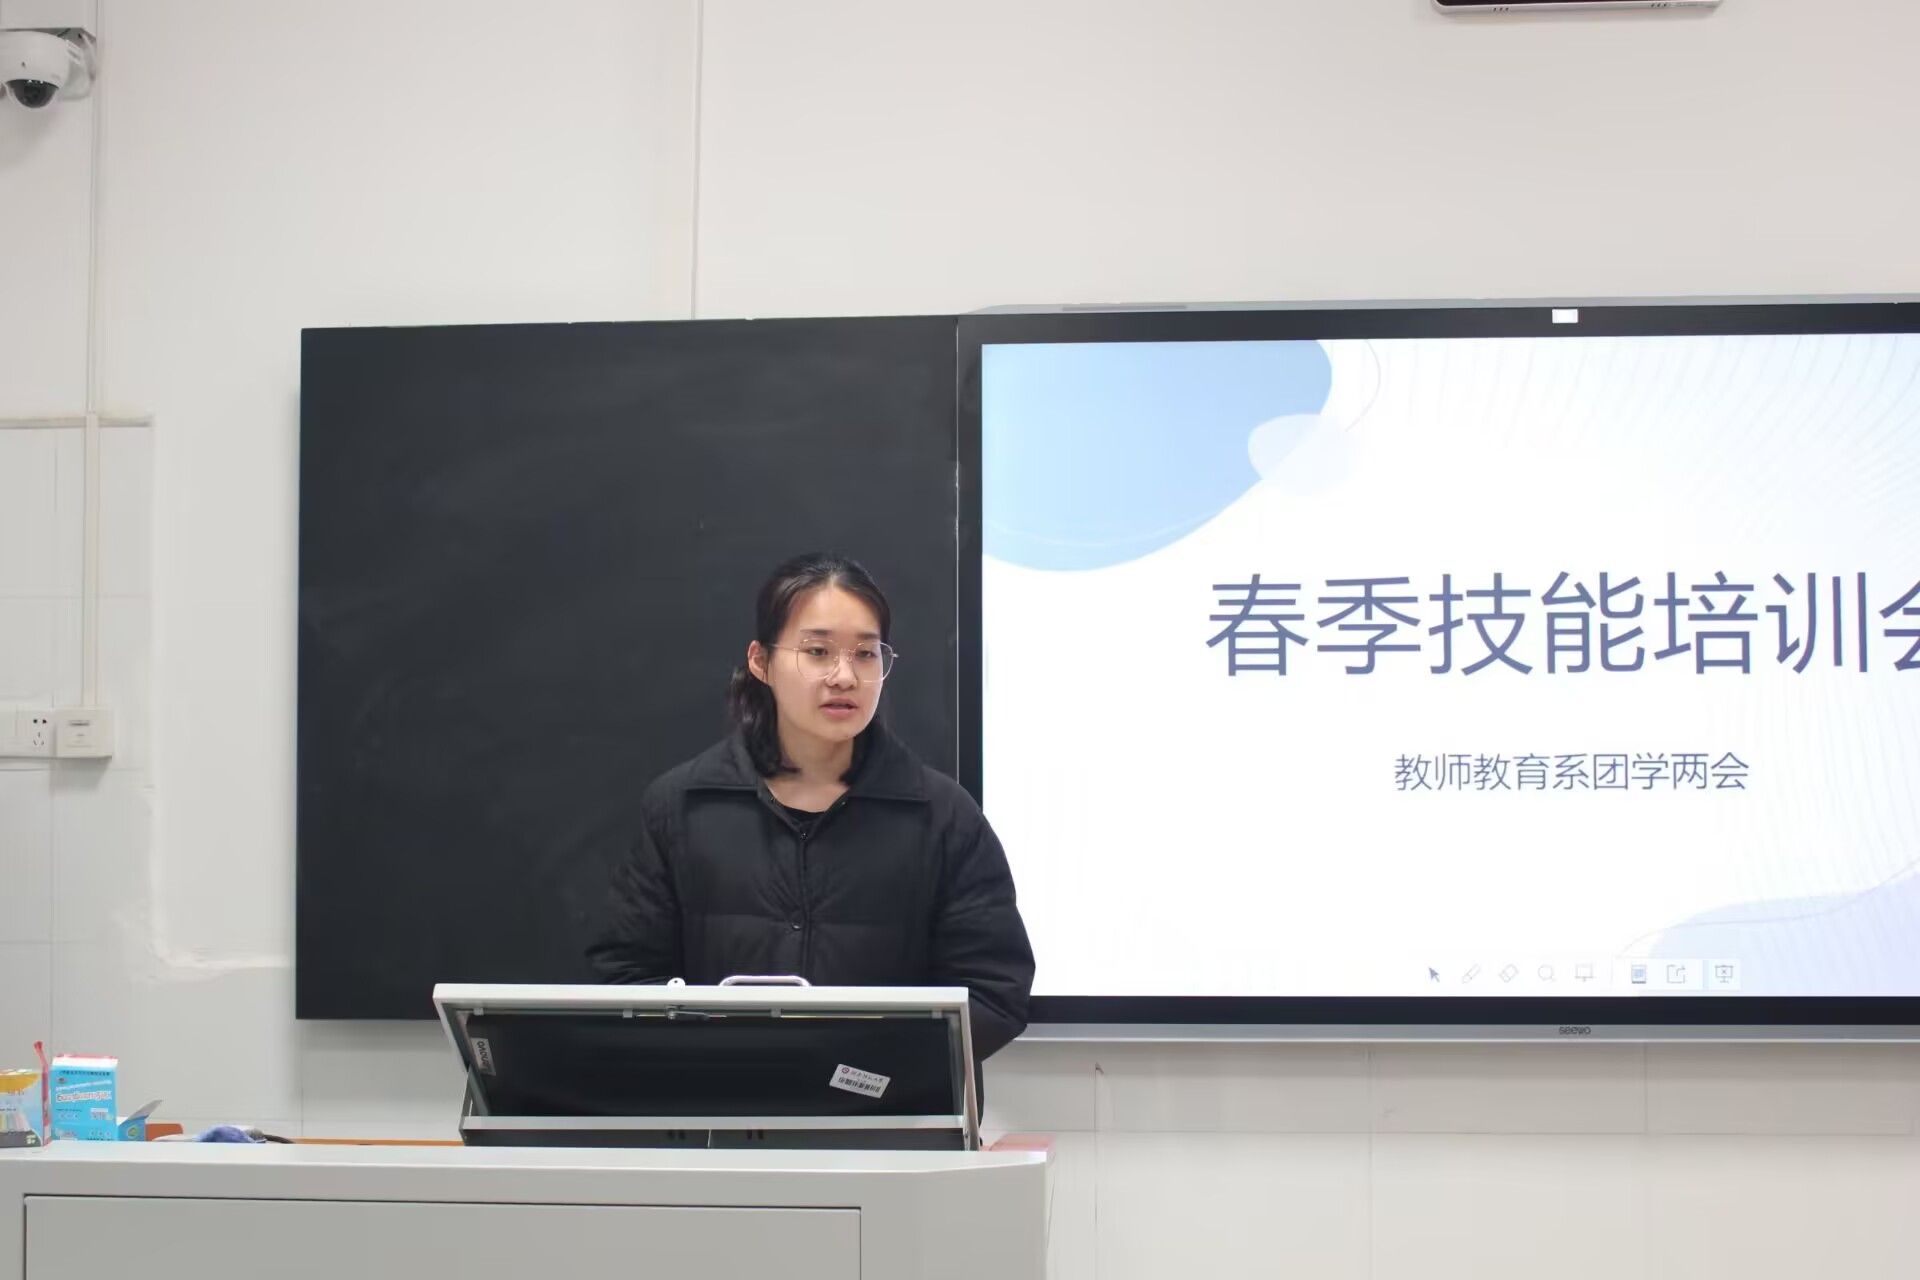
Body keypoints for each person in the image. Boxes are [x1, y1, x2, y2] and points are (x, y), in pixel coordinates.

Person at [587, 552, 1036, 1064]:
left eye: (865, 654)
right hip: (721, 1103)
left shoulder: (942, 817)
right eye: (817, 651)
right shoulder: (682, 807)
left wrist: (860, 1072)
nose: (844, 676)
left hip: (884, 1108)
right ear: (761, 662)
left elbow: (993, 991)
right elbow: (623, 977)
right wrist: (718, 1059)